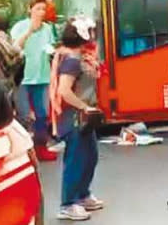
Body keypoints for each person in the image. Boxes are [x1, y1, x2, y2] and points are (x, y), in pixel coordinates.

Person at [55, 18, 104, 221]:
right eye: (90, 32)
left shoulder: (79, 57)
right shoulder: (72, 61)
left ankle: (82, 194)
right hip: (74, 116)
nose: (93, 35)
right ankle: (67, 203)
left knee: (90, 155)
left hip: (84, 115)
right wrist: (84, 107)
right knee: (76, 159)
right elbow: (64, 91)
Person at [10, 0, 57, 162]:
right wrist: (30, 30)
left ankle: (41, 148)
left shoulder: (47, 29)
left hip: (42, 76)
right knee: (24, 116)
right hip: (23, 77)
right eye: (38, 9)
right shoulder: (20, 27)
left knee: (42, 115)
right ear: (30, 10)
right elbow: (14, 48)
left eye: (44, 9)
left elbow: (51, 47)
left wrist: (52, 52)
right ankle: (23, 153)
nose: (41, 12)